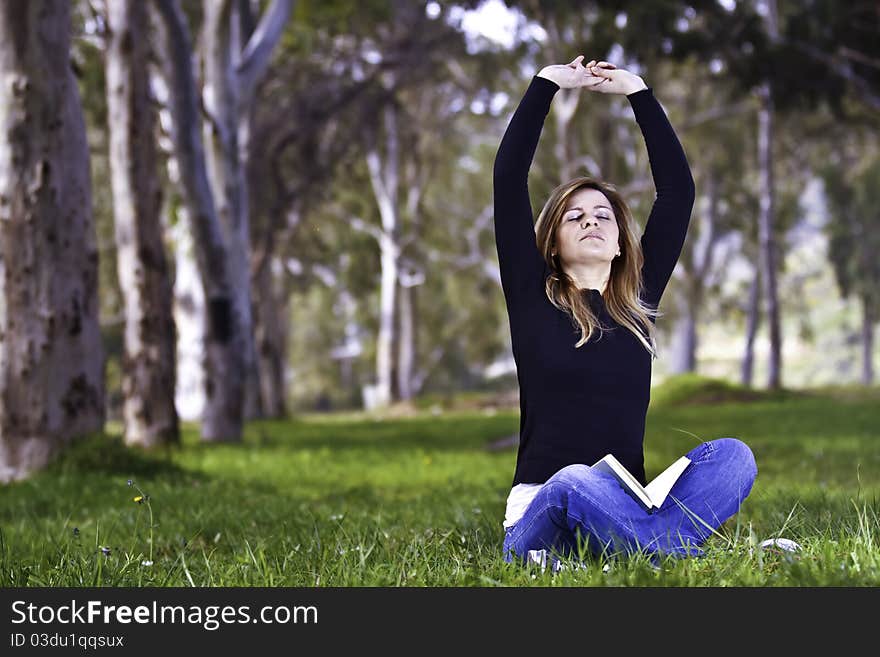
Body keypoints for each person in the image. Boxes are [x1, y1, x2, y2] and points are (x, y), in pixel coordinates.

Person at [493, 55, 757, 566]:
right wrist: (548, 84)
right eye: (574, 217)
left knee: (732, 456)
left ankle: (644, 548)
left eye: (603, 215)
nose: (591, 222)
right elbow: (508, 180)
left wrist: (638, 92)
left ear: (619, 241)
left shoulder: (638, 303)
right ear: (552, 242)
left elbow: (678, 193)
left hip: (626, 502)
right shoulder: (532, 297)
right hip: (545, 511)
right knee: (573, 479)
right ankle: (667, 551)